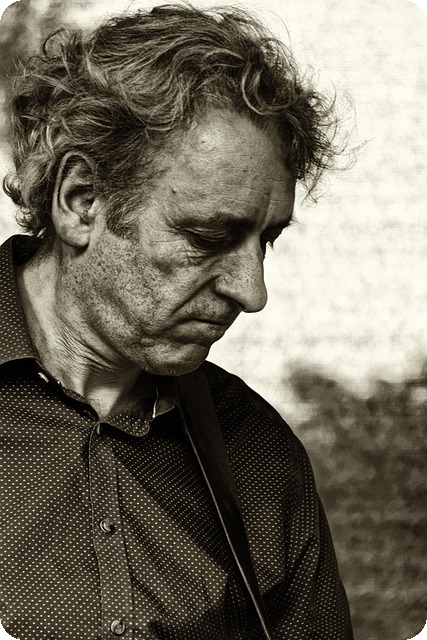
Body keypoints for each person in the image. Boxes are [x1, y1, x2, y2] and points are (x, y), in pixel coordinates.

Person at [0, 3, 353, 639]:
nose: (252, 293)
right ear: (81, 202)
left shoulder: (260, 453)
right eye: (209, 236)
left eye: (266, 240)